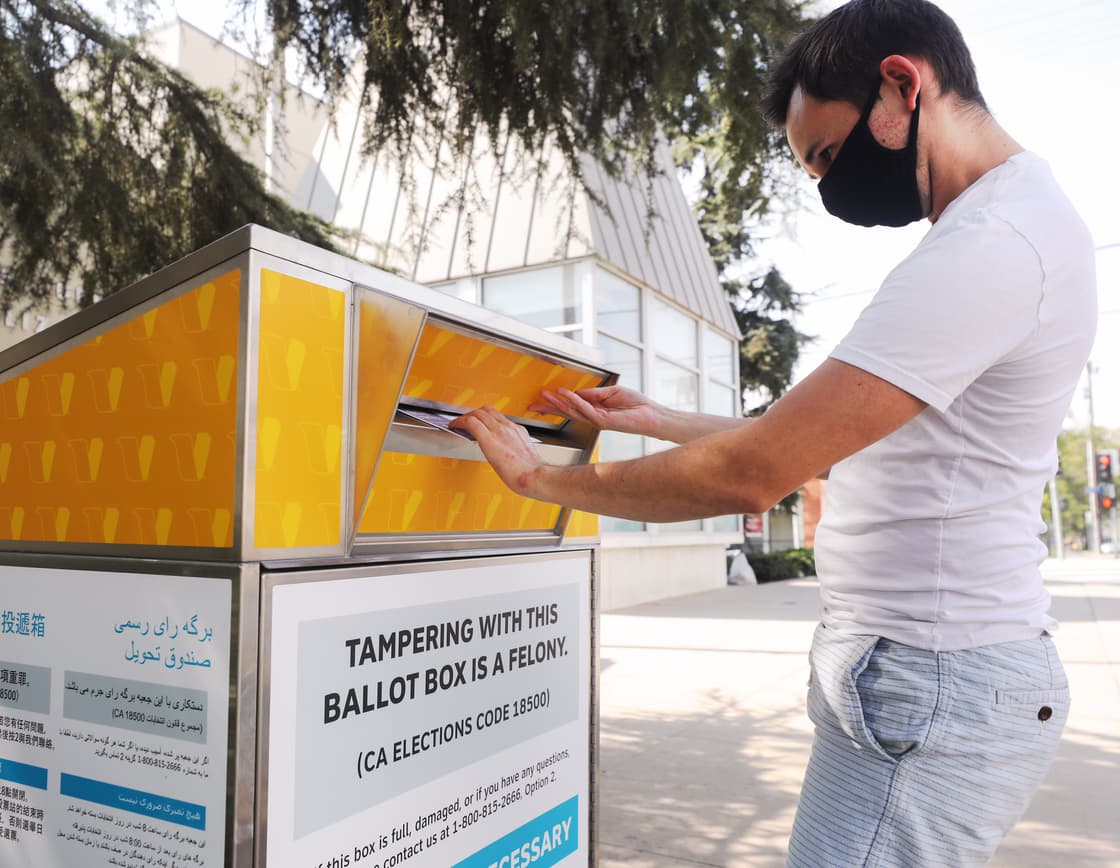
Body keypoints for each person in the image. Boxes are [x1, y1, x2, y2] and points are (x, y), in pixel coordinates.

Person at [449, 0, 1098, 864]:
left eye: (826, 155)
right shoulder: (1003, 228)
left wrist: (544, 481)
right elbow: (840, 446)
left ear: (902, 84)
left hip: (931, 678)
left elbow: (755, 475)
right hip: (917, 674)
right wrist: (662, 420)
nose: (824, 185)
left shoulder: (993, 243)